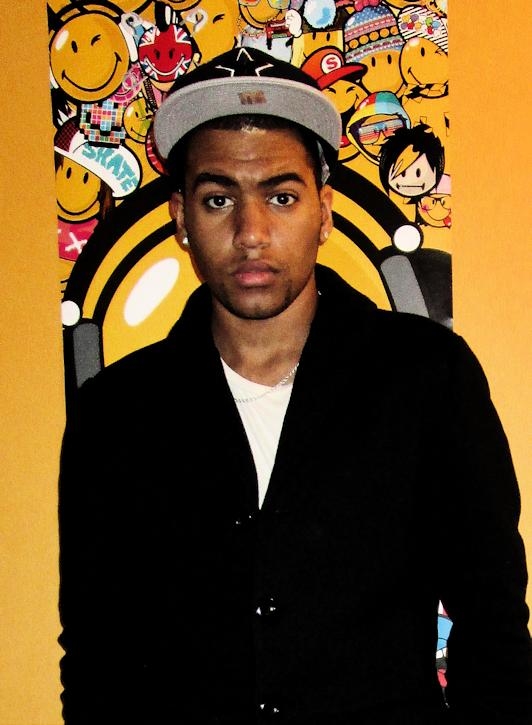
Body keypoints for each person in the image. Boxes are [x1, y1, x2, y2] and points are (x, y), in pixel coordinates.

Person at [58, 47, 532, 724]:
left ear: (325, 211)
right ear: (181, 219)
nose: (251, 233)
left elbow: (494, 628)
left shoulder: (428, 378)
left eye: (281, 196)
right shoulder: (116, 415)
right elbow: (97, 661)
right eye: (218, 199)